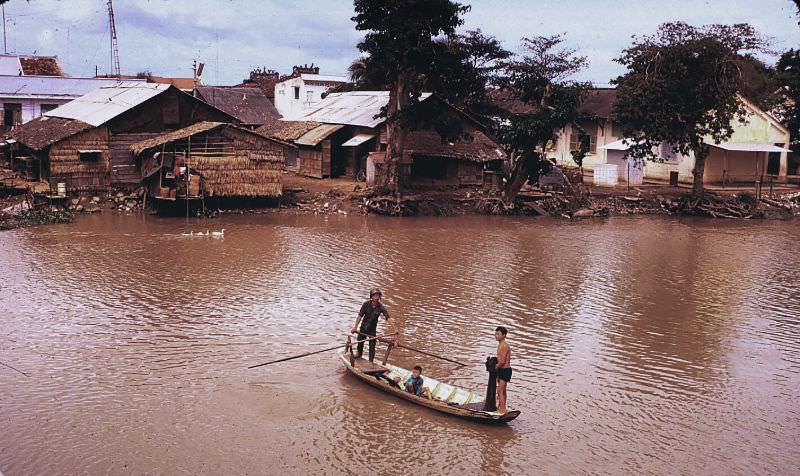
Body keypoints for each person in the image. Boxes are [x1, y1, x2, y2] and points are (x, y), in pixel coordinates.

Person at [351, 288, 390, 362]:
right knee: (360, 342)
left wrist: (395, 329)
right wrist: (355, 327)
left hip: (372, 330)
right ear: (371, 297)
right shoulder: (366, 304)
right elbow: (360, 316)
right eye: (375, 296)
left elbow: (387, 317)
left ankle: (371, 361)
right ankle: (359, 355)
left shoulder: (381, 307)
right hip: (363, 328)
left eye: (378, 295)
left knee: (372, 346)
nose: (377, 297)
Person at [495, 326, 512, 414]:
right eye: (496, 334)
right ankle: (502, 406)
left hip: (505, 370)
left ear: (504, 335)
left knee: (500, 390)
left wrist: (494, 368)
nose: (496, 336)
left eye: (498, 334)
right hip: (502, 370)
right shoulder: (500, 344)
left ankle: (502, 410)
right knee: (502, 390)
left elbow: (502, 361)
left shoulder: (504, 346)